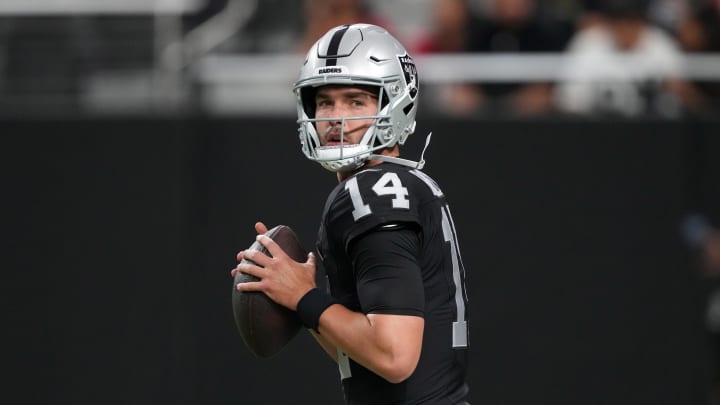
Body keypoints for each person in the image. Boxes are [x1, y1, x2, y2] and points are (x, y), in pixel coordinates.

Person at [231, 24, 470, 404]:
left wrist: (305, 296)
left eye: (355, 101)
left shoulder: (369, 192)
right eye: (324, 101)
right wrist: (299, 300)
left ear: (394, 102)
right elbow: (365, 359)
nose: (334, 118)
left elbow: (394, 357)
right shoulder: (406, 182)